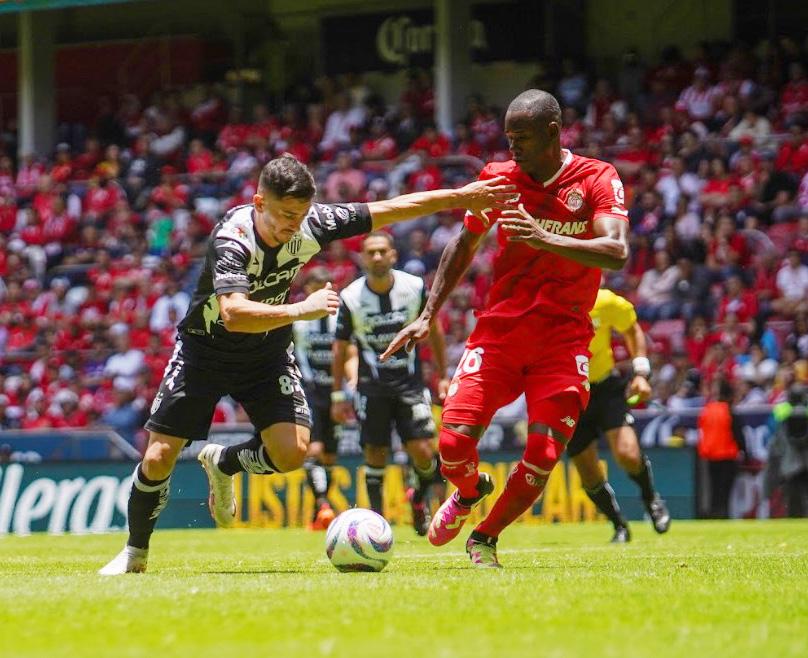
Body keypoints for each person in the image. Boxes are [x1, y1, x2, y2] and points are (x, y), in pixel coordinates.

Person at [99, 153, 516, 574]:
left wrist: (463, 196)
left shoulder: (312, 222)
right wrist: (302, 309)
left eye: (300, 214)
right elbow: (233, 313)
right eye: (285, 215)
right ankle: (135, 554)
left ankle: (224, 462)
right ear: (260, 203)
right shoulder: (233, 238)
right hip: (204, 353)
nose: (293, 224)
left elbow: (391, 208)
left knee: (292, 454)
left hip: (265, 355)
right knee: (158, 458)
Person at [382, 89, 631, 567]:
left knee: (543, 451)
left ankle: (485, 537)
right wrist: (428, 313)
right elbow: (465, 243)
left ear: (553, 133)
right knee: (452, 445)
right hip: (500, 332)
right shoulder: (498, 179)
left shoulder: (597, 177)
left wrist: (543, 237)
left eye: (522, 137)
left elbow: (616, 251)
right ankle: (469, 491)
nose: (512, 147)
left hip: (563, 338)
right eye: (509, 137)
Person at [331, 232, 449, 535]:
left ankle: (418, 497)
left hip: (410, 385)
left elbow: (434, 329)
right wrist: (337, 394)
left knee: (423, 451)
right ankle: (376, 524)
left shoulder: (415, 287)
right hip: (371, 387)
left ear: (393, 255)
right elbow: (340, 347)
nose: (377, 257)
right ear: (361, 258)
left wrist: (443, 375)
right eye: (371, 252)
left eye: (383, 251)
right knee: (375, 453)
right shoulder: (351, 296)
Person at [566, 286, 671, 543]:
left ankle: (651, 499)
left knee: (628, 454)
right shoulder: (548, 304)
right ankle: (619, 525)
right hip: (568, 394)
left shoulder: (604, 300)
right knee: (588, 472)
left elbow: (631, 328)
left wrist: (641, 372)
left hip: (605, 388)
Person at [292, 266, 358, 530]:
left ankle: (318, 511)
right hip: (309, 391)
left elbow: (350, 352)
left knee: (330, 456)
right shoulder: (298, 319)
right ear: (307, 289)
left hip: (336, 393)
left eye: (325, 287)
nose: (320, 292)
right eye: (315, 287)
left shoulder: (340, 318)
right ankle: (323, 505)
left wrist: (352, 381)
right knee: (315, 449)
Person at [697, 380, 745, 519]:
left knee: (714, 488)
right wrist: (745, 452)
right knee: (725, 490)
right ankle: (723, 514)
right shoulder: (729, 411)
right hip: (727, 455)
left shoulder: (708, 409)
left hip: (710, 456)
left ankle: (714, 513)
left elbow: (702, 432)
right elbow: (738, 434)